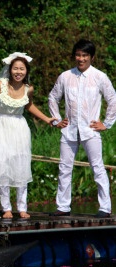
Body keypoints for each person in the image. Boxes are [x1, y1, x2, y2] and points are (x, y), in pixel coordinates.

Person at [0, 52, 58, 219]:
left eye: (22, 69)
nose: (18, 72)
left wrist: (46, 118)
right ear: (10, 69)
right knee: (2, 165)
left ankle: (22, 207)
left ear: (26, 71)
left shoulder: (28, 89)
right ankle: (6, 207)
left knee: (21, 165)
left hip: (19, 128)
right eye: (15, 68)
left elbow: (29, 106)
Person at [48, 39, 116, 218]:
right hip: (69, 130)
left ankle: (105, 208)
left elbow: (113, 99)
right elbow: (53, 97)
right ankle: (63, 206)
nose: (81, 58)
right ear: (74, 56)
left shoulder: (99, 77)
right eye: (78, 55)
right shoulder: (65, 76)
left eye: (85, 55)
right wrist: (56, 120)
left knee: (97, 167)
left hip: (90, 130)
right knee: (64, 168)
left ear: (92, 57)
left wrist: (106, 123)